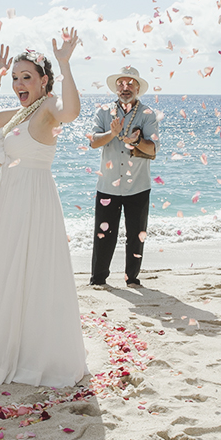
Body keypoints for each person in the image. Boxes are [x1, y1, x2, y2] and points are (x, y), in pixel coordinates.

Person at [0, 29, 88, 387]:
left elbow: (72, 110)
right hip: (10, 197)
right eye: (16, 78)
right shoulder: (20, 113)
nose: (19, 83)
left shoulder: (49, 107)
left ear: (43, 81)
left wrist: (66, 65)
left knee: (35, 267)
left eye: (27, 77)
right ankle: (8, 346)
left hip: (35, 196)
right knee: (9, 266)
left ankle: (37, 352)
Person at [88, 65, 159, 288]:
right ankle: (98, 279)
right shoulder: (103, 112)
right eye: (121, 84)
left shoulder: (148, 114)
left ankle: (132, 279)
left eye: (130, 84)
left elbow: (153, 150)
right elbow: (93, 142)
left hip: (138, 184)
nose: (125, 87)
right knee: (103, 234)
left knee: (136, 235)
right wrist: (113, 134)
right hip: (108, 183)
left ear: (138, 87)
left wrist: (136, 141)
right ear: (116, 88)